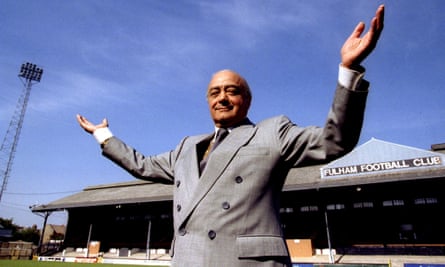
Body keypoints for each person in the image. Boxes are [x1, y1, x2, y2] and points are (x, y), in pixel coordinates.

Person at [77, 5, 384, 267]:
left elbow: (335, 140)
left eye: (231, 91)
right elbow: (142, 165)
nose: (222, 97)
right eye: (214, 92)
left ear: (246, 100)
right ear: (208, 102)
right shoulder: (187, 146)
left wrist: (349, 68)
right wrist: (103, 134)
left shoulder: (272, 132)